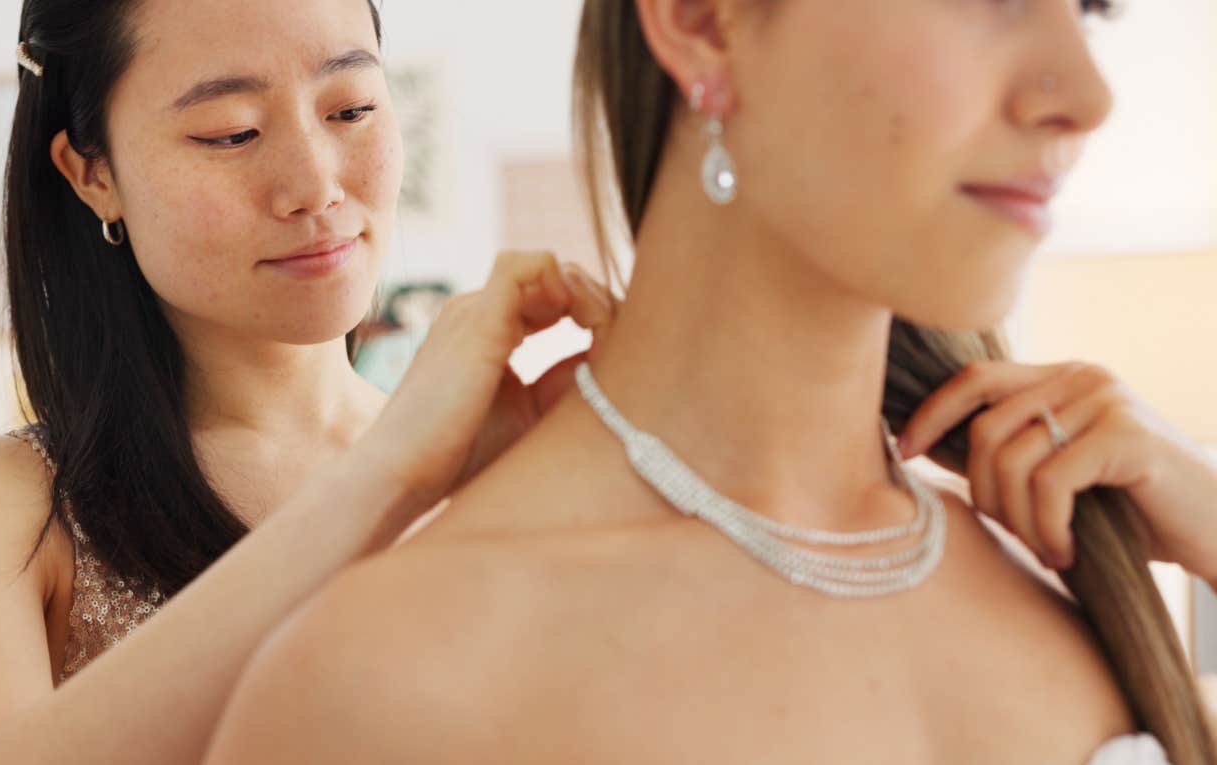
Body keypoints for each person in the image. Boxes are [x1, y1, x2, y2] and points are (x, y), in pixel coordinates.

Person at [207, 0, 1217, 763]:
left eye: (1082, 5)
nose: (1086, 96)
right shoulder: (390, 682)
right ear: (701, 24)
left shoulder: (1072, 557)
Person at [0, 0, 612, 762]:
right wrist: (382, 476)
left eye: (351, 109)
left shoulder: (506, 470)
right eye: (231, 132)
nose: (315, 185)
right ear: (92, 174)